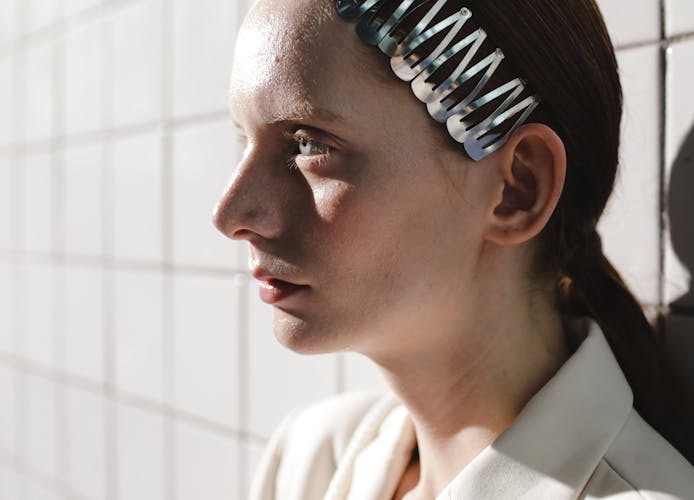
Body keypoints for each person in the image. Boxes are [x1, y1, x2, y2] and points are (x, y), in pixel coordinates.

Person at [213, 0, 694, 498]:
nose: (229, 214)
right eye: (244, 140)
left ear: (516, 188)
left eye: (309, 144)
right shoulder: (307, 459)